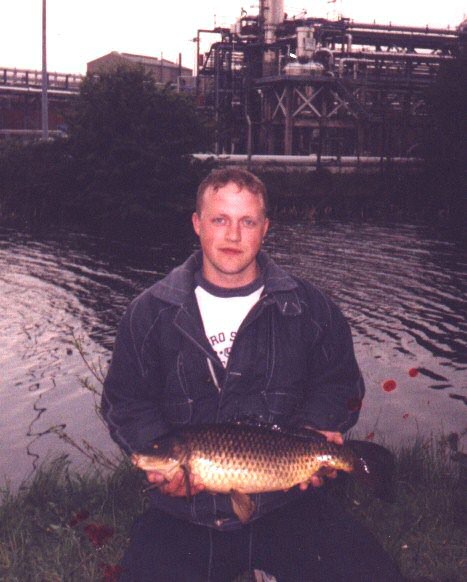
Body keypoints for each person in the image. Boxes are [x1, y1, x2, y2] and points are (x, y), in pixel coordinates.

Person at [101, 168, 402, 581]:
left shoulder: (309, 307)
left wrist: (319, 427)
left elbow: (338, 382)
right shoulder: (149, 312)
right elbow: (127, 400)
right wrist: (159, 464)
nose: (233, 235)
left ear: (265, 229)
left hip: (289, 504)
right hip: (188, 516)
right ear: (197, 224)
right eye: (220, 219)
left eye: (247, 222)